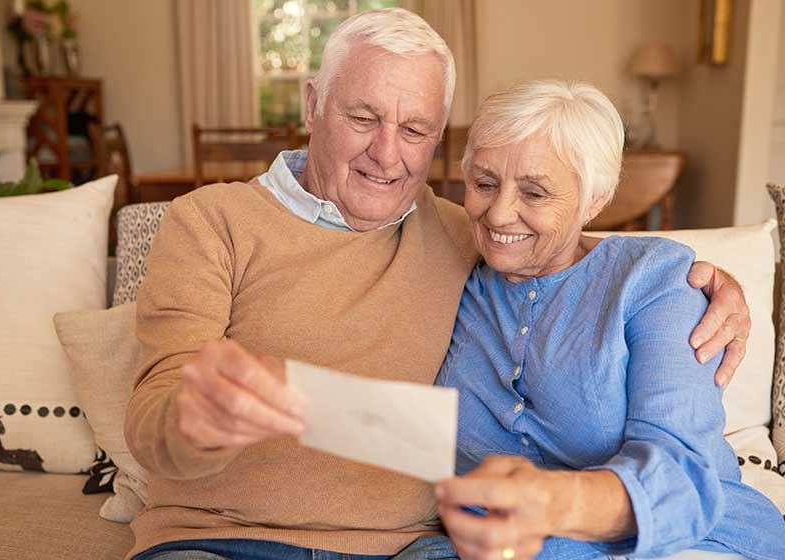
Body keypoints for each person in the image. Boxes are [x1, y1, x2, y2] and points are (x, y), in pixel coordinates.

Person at [124, 8, 751, 560]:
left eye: (416, 130)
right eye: (363, 116)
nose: (387, 154)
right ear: (313, 103)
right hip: (215, 536)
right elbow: (156, 408)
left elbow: (575, 259)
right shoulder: (210, 221)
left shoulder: (461, 233)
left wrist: (710, 282)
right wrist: (194, 421)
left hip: (406, 545)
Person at [433, 80, 785, 560]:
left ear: (594, 201)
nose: (498, 213)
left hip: (684, 541)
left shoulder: (654, 280)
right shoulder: (449, 258)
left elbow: (680, 478)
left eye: (534, 193)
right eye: (484, 183)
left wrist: (552, 504)